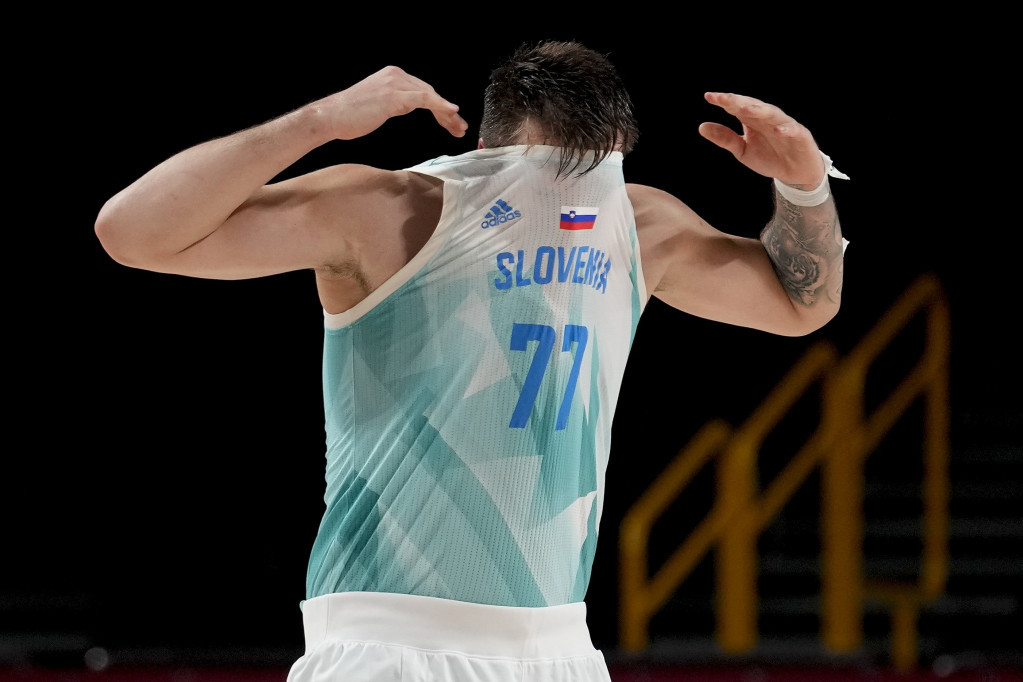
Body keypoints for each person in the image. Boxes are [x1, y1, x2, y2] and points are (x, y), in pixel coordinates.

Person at [95, 40, 847, 682]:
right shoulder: (387, 209)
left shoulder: (639, 224)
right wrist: (319, 120)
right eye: (544, 178)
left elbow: (801, 306)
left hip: (559, 647)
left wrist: (804, 185)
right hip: (389, 642)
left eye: (589, 179)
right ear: (483, 152)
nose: (567, 207)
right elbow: (131, 232)